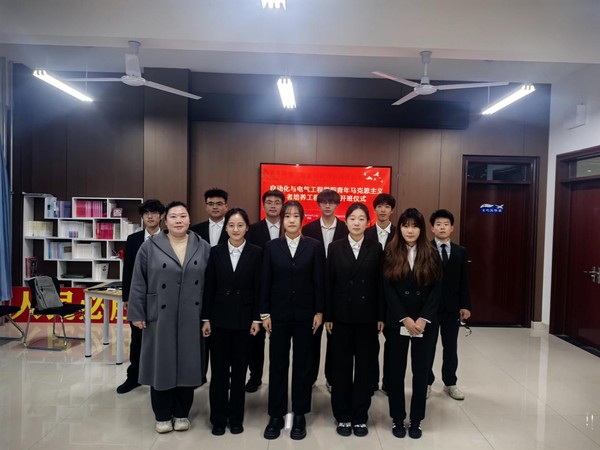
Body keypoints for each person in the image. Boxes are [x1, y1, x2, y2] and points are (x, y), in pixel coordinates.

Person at [128, 201, 211, 434]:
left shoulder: (202, 246)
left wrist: (207, 317)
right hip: (160, 314)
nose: (178, 220)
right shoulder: (150, 246)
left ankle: (182, 412)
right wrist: (137, 312)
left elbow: (210, 284)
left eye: (182, 216)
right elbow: (138, 281)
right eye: (173, 216)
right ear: (166, 220)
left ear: (189, 219)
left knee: (187, 364)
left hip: (191, 314)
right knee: (161, 364)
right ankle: (162, 414)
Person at [260, 200, 325, 441]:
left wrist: (319, 311)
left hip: (306, 315)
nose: (291, 220)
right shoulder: (271, 246)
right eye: (287, 216)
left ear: (302, 219)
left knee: (302, 365)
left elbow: (319, 280)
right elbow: (265, 281)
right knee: (277, 365)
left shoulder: (314, 246)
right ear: (282, 220)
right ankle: (276, 415)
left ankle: (299, 414)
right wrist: (264, 313)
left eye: (296, 216)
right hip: (278, 315)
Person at [324, 203, 384, 437]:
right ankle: (342, 415)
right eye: (352, 218)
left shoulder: (376, 248)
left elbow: (379, 284)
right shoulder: (335, 247)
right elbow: (329, 283)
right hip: (340, 316)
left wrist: (380, 315)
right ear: (346, 221)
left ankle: (360, 415)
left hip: (367, 317)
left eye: (361, 219)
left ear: (368, 222)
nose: (357, 223)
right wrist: (328, 315)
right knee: (341, 367)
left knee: (364, 368)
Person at [202, 208, 263, 435]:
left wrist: (257, 318)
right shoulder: (215, 252)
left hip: (245, 321)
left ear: (247, 228)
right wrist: (206, 318)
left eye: (240, 225)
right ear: (225, 228)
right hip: (219, 320)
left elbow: (259, 288)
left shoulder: (257, 252)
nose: (236, 229)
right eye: (231, 225)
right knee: (218, 373)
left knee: (239, 372)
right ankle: (218, 418)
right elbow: (209, 287)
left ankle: (236, 418)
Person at [383, 208, 441, 440]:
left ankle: (416, 419)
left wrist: (423, 318)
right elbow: (387, 288)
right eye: (406, 225)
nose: (410, 230)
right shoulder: (390, 251)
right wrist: (404, 318)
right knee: (395, 372)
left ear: (421, 229)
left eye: (415, 226)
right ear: (400, 228)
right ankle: (397, 418)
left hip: (424, 324)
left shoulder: (432, 252)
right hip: (398, 321)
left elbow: (437, 289)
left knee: (420, 372)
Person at [116, 199, 165, 394]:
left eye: (154, 213)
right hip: (139, 297)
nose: (150, 217)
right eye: (146, 213)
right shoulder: (134, 239)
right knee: (137, 338)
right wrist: (127, 297)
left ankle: (158, 376)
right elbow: (128, 270)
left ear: (161, 216)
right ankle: (134, 377)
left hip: (162, 298)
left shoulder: (169, 238)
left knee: (160, 339)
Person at [302, 189, 348, 390]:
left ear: (337, 205)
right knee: (311, 338)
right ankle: (310, 378)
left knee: (335, 340)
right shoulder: (308, 229)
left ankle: (331, 378)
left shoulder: (346, 228)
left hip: (338, 291)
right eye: (324, 202)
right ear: (318, 204)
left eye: (332, 202)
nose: (327, 206)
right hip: (314, 290)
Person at [427, 209, 471, 400]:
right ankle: (426, 382)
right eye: (438, 224)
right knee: (428, 347)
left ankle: (450, 383)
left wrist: (465, 305)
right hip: (430, 308)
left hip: (452, 308)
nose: (442, 227)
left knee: (450, 347)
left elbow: (464, 281)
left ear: (452, 228)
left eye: (446, 224)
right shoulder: (426, 249)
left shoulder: (460, 251)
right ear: (432, 228)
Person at [245, 189, 285, 393]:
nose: (273, 205)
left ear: (282, 206)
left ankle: (280, 379)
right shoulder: (253, 229)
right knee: (256, 336)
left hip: (282, 289)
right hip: (259, 287)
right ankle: (255, 376)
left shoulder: (289, 227)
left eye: (277, 202)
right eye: (269, 202)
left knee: (280, 338)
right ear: (263, 205)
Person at [190, 187, 229, 383]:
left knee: (222, 337)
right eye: (211, 204)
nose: (215, 207)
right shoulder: (194, 231)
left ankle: (223, 375)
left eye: (219, 204)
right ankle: (200, 374)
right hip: (200, 288)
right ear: (206, 207)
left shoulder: (234, 228)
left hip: (225, 289)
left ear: (226, 206)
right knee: (201, 334)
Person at [364, 192, 396, 393]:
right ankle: (371, 380)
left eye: (387, 206)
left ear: (392, 210)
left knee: (393, 343)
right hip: (371, 294)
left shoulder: (400, 233)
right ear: (374, 209)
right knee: (370, 342)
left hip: (394, 295)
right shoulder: (366, 233)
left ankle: (389, 382)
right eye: (379, 206)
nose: (383, 210)